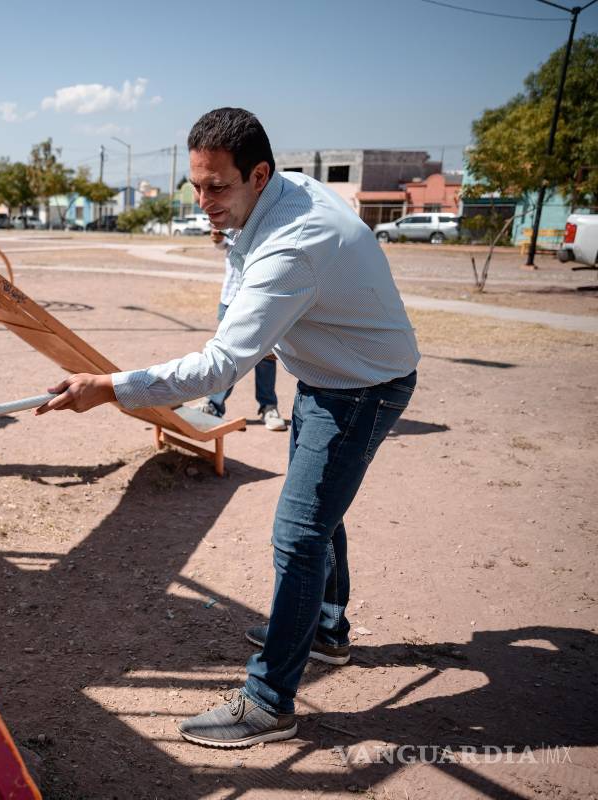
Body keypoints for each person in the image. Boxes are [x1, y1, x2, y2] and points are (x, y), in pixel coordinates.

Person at [36, 108, 419, 747]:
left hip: (363, 388)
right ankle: (325, 630)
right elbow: (235, 289)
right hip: (332, 377)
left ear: (259, 173)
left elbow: (219, 364)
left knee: (300, 533)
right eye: (195, 185)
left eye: (217, 188)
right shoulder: (268, 200)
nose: (202, 201)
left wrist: (110, 388)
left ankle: (270, 703)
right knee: (321, 511)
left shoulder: (296, 242)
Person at [201, 228, 287, 431]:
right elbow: (222, 241)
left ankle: (268, 407)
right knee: (225, 355)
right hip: (231, 299)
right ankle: (214, 405)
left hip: (261, 300)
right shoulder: (232, 212)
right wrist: (217, 237)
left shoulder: (267, 218)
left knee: (265, 357)